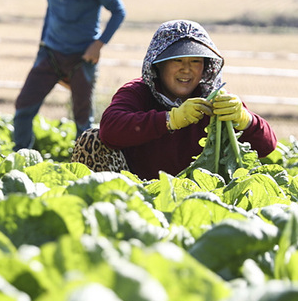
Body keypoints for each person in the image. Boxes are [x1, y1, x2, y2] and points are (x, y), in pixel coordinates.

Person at [92, 19, 276, 180]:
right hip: (140, 194)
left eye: (195, 61)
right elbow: (109, 129)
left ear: (205, 67)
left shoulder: (215, 100)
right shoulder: (137, 92)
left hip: (200, 198)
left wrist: (246, 120)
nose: (186, 69)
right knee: (91, 139)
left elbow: (267, 145)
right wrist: (170, 120)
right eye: (177, 60)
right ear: (158, 64)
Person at [13, 0, 126, 150]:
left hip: (82, 59)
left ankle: (84, 167)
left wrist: (99, 44)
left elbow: (118, 12)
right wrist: (42, 43)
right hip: (50, 53)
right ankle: (22, 156)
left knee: (83, 120)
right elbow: (50, 10)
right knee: (23, 107)